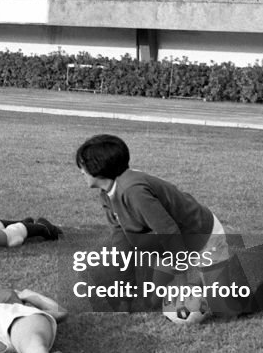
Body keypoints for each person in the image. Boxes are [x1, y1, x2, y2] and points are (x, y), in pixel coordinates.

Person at [74, 134, 248, 318]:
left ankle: (245, 292)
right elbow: (122, 245)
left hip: (203, 237)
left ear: (98, 167)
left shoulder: (133, 190)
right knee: (151, 302)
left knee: (224, 309)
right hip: (172, 248)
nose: (81, 171)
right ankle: (199, 278)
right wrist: (125, 298)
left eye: (83, 165)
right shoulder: (106, 194)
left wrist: (181, 280)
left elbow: (168, 231)